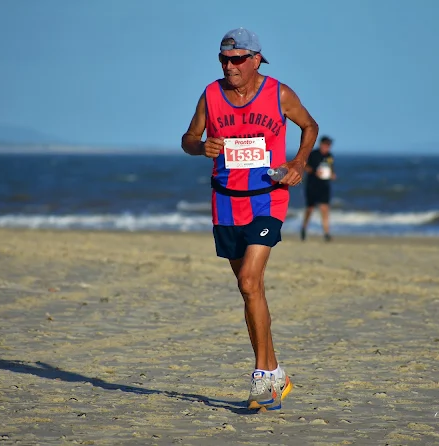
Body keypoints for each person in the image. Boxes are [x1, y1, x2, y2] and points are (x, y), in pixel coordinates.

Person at [180, 27, 319, 411]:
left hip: (267, 199)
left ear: (256, 59)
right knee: (250, 290)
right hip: (225, 201)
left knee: (248, 280)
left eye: (237, 59)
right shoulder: (211, 95)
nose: (230, 66)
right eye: (224, 59)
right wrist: (201, 146)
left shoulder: (279, 94)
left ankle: (260, 376)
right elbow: (188, 139)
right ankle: (275, 374)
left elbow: (310, 126)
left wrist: (299, 162)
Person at [300, 135, 336, 241]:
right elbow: (304, 166)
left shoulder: (330, 156)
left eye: (329, 145)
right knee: (310, 209)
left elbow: (331, 169)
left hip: (324, 186)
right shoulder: (313, 154)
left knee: (324, 209)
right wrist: (315, 172)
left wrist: (332, 175)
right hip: (312, 185)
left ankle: (326, 233)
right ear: (321, 144)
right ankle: (304, 228)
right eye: (326, 144)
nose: (328, 147)